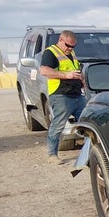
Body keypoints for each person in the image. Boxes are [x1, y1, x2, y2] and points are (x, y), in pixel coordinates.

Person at [39, 31, 85, 163]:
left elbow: (76, 70)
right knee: (58, 125)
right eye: (68, 45)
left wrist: (82, 81)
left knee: (88, 121)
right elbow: (44, 71)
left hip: (76, 94)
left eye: (73, 46)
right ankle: (52, 154)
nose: (70, 48)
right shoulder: (51, 52)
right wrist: (67, 75)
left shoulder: (71, 53)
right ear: (60, 40)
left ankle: (91, 150)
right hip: (61, 95)